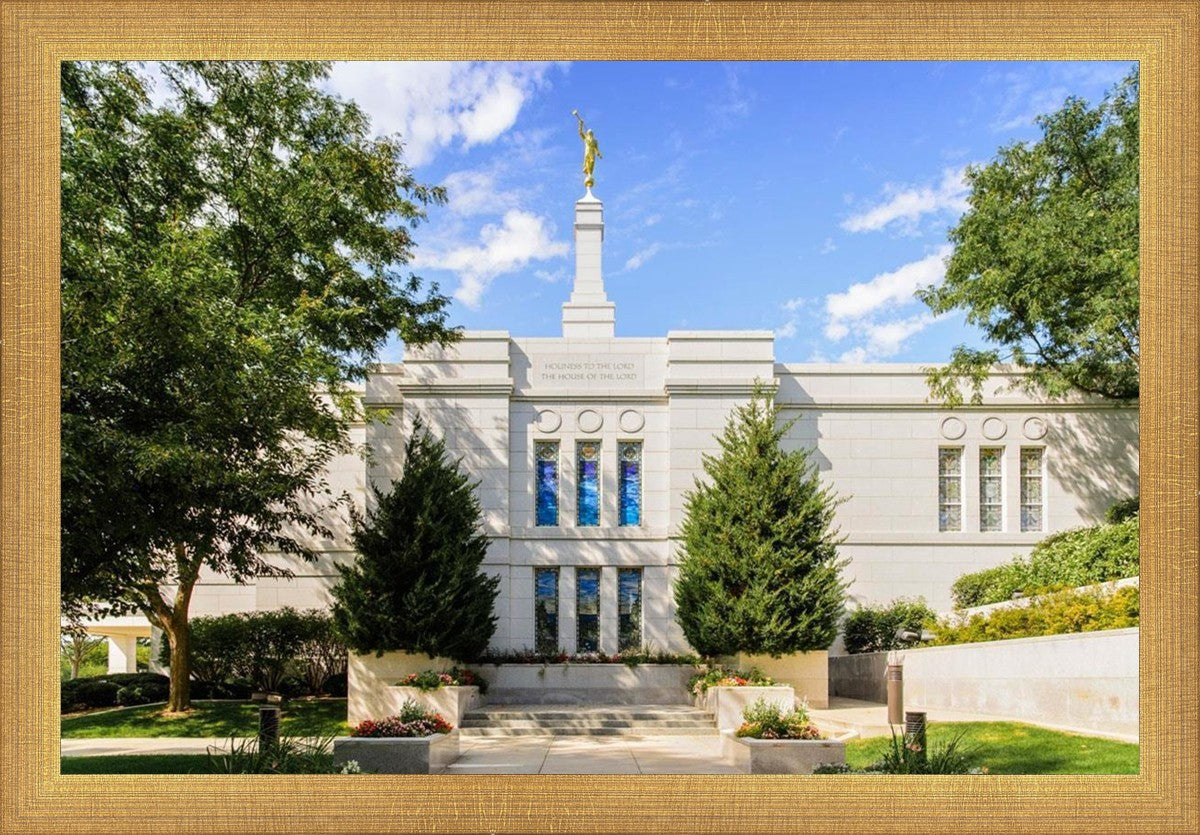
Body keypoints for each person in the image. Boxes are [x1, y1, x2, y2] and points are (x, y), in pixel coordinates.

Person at [572, 109, 601, 188]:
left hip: (592, 153)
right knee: (588, 162)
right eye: (589, 133)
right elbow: (580, 132)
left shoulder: (595, 141)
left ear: (592, 134)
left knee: (592, 162)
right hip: (587, 152)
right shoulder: (586, 138)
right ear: (588, 133)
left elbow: (596, 149)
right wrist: (580, 124)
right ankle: (588, 174)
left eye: (591, 133)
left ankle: (590, 174)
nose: (590, 134)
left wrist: (599, 153)